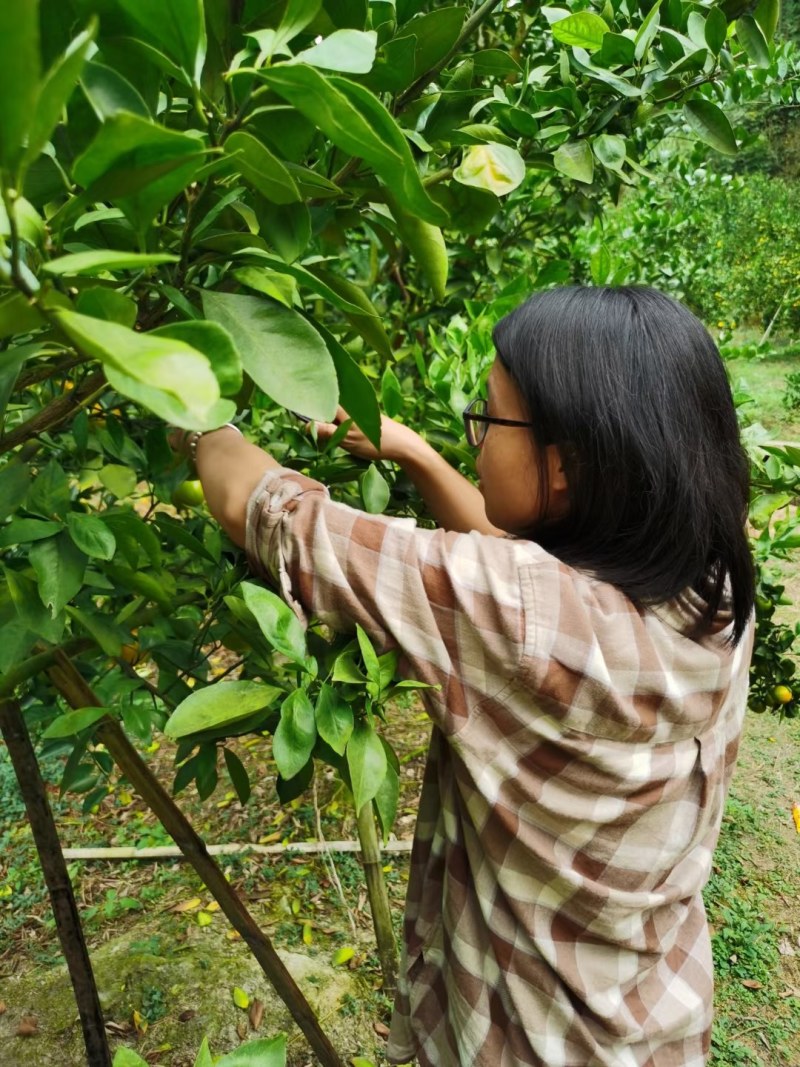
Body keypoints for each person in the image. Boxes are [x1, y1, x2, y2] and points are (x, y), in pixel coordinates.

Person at [174, 285, 755, 1067]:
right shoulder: (712, 585)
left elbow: (277, 514)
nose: (474, 435)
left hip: (523, 1034)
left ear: (572, 465)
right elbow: (527, 577)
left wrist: (178, 387)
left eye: (487, 416)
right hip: (652, 1014)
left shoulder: (513, 611)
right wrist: (413, 452)